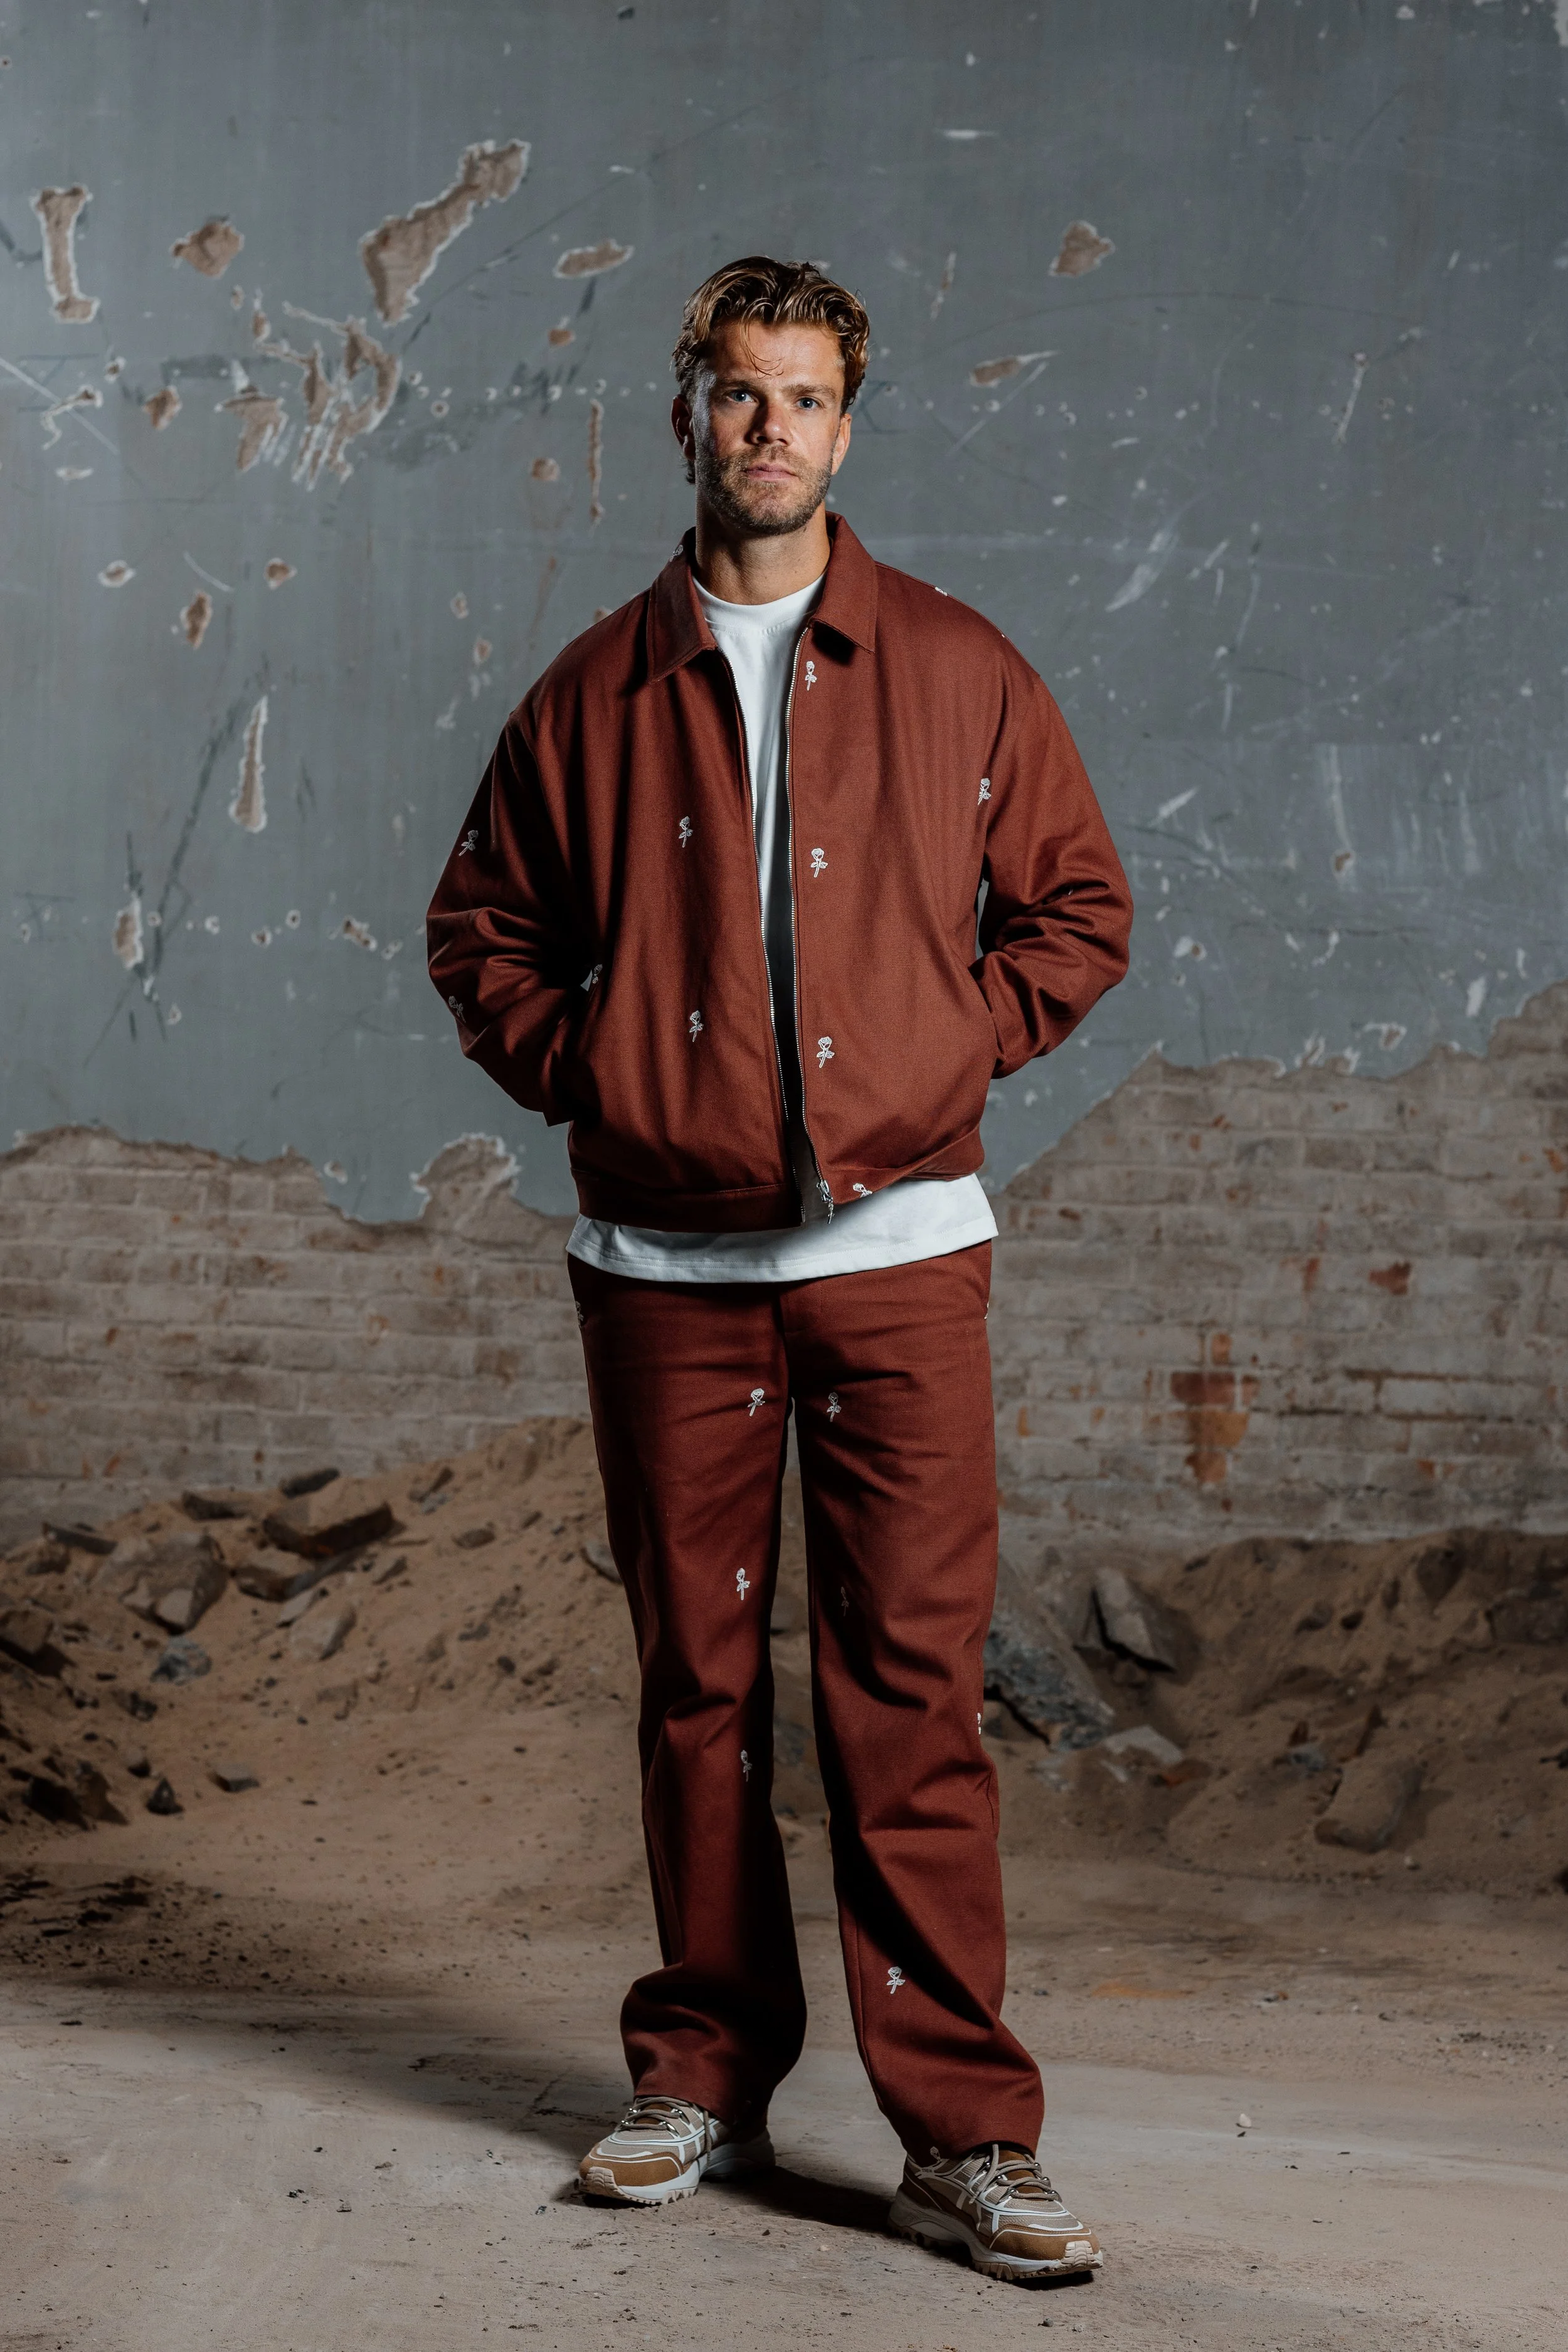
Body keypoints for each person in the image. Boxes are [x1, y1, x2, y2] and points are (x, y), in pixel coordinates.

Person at [426, 255, 1131, 2285]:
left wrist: (934, 1055)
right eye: (739, 394)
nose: (770, 431)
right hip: (665, 1264)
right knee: (699, 1684)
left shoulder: (957, 666)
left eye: (806, 398)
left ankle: (964, 2130)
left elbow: (1077, 910)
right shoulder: (590, 693)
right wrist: (607, 1078)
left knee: (909, 1688)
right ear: (686, 413)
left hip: (900, 1254)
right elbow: (482, 934)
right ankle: (703, 2078)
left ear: (847, 424)